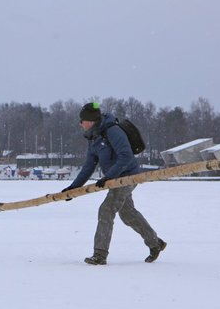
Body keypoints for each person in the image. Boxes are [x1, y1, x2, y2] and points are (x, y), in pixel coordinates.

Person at [62, 102, 166, 265]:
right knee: (128, 214)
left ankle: (100, 254)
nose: (80, 124)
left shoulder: (112, 131)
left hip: (127, 176)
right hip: (114, 178)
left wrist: (108, 176)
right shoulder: (93, 137)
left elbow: (126, 156)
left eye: (82, 120)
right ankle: (155, 243)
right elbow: (89, 166)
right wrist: (74, 188)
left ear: (90, 121)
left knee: (106, 210)